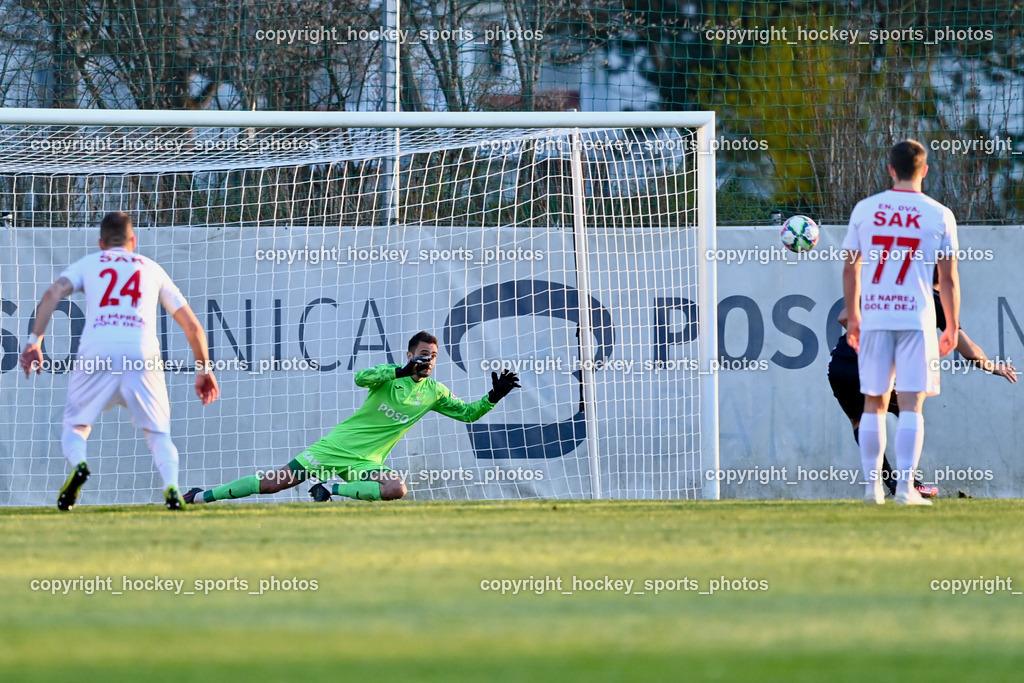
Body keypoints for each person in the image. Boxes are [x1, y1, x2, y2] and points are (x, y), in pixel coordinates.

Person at [20, 212, 219, 510]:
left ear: (102, 243)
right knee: (158, 433)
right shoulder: (151, 268)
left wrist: (34, 341)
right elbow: (194, 327)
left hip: (96, 351)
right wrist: (204, 370)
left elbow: (53, 292)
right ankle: (172, 487)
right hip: (142, 353)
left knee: (75, 428)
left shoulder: (89, 263)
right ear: (133, 241)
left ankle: (80, 464)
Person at [185, 331, 520, 505]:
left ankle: (332, 487)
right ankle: (202, 496)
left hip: (368, 461)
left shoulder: (435, 392)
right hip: (338, 446)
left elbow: (469, 415)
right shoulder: (391, 374)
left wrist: (494, 396)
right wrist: (398, 370)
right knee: (273, 484)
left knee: (395, 489)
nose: (428, 361)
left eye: (432, 357)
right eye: (422, 355)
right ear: (409, 354)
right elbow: (362, 377)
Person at [842, 139, 959, 506]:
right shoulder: (940, 214)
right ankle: (906, 490)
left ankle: (871, 489)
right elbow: (950, 278)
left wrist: (855, 316)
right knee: (911, 405)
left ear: (890, 169)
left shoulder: (866, 208)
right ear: (925, 170)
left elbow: (850, 266)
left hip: (876, 316)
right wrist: (953, 326)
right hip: (918, 318)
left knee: (873, 404)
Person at [829, 282, 1017, 497]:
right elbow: (969, 351)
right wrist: (994, 367)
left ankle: (885, 483)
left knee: (862, 421)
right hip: (874, 366)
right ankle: (908, 485)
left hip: (840, 365)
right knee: (910, 411)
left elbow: (844, 317)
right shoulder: (930, 296)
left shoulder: (882, 287)